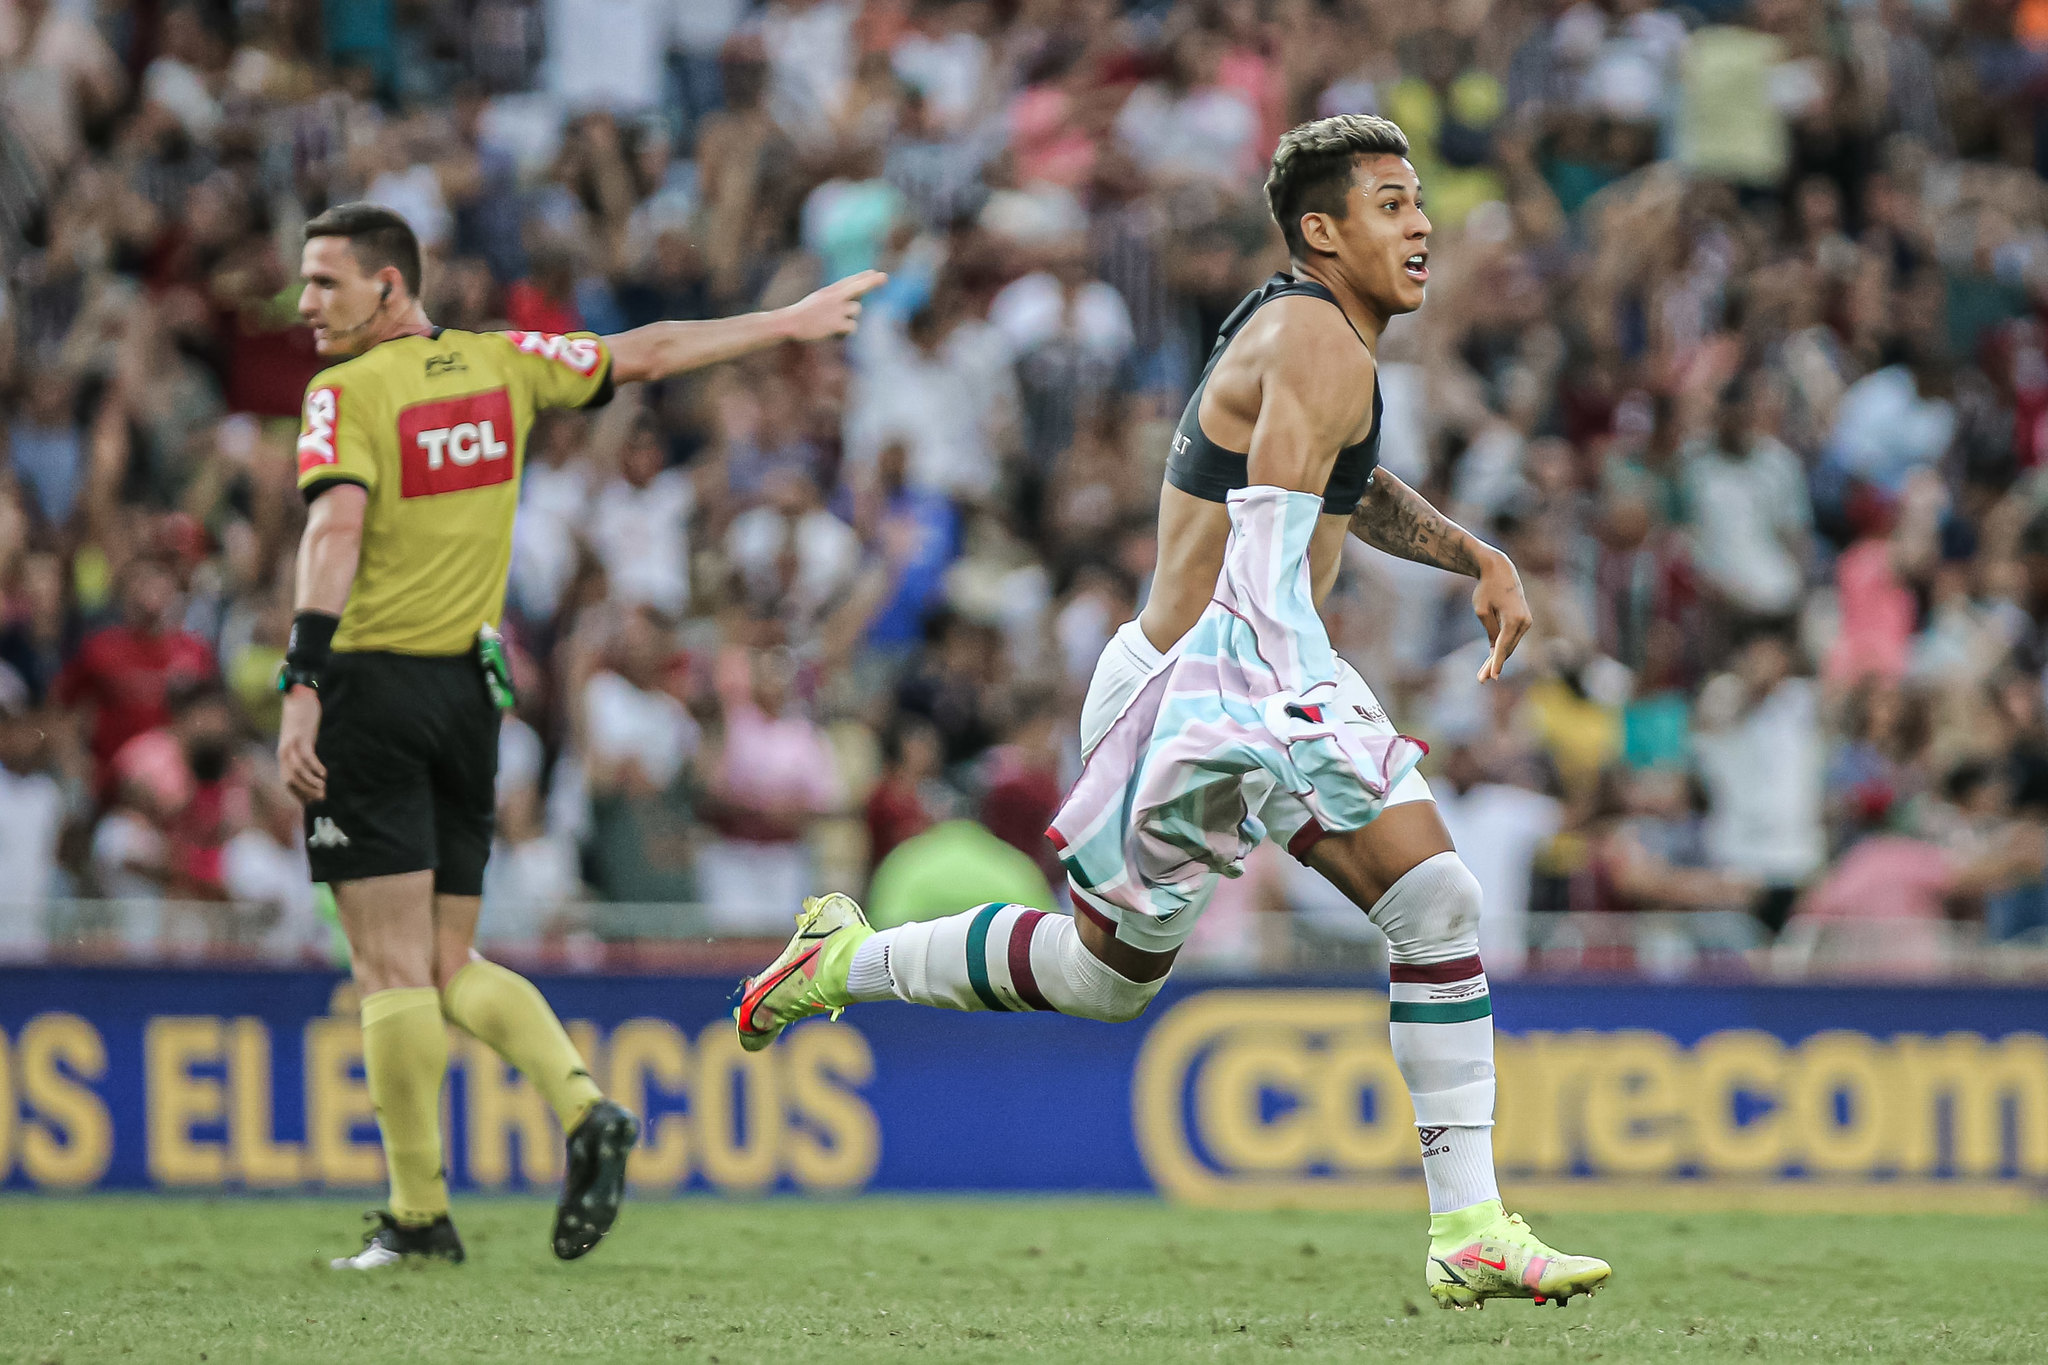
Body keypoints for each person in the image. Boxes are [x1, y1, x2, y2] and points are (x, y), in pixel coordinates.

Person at [734, 115, 1611, 1310]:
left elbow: (1336, 485)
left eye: (1419, 203)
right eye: (1392, 204)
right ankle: (1464, 1223)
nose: (1421, 226)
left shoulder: (1309, 336)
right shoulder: (1318, 341)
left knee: (1144, 970)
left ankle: (840, 959)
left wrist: (1469, 555)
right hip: (1206, 678)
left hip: (1223, 669)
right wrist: (1310, 717)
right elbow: (1263, 561)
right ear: (1321, 230)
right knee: (1404, 904)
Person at [276, 202, 881, 1269]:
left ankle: (417, 1216)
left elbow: (335, 527)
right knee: (447, 958)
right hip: (473, 695)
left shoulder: (344, 394)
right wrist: (782, 322)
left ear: (388, 287)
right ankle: (584, 1105)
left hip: (370, 689)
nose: (304, 303)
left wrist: (300, 679)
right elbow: (647, 353)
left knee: (388, 967)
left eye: (325, 282)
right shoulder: (501, 365)